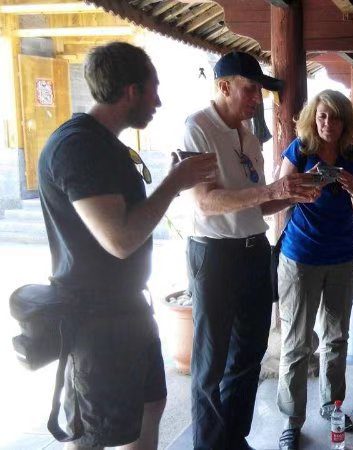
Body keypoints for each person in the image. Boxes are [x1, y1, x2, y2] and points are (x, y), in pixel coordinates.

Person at [37, 42, 217, 449]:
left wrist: (175, 178)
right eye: (153, 89)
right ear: (130, 91)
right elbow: (120, 240)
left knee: (149, 405)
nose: (159, 100)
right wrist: (174, 182)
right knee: (97, 431)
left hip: (126, 309)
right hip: (94, 321)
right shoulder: (78, 146)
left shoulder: (107, 143)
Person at [183, 51, 319, 450]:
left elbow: (257, 203)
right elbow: (205, 201)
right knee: (211, 362)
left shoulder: (248, 135)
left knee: (249, 354)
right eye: (250, 89)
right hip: (214, 254)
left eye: (259, 91)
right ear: (223, 87)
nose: (256, 98)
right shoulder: (198, 128)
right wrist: (274, 189)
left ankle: (233, 438)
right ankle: (209, 445)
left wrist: (295, 194)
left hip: (254, 250)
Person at [275, 90, 353, 450]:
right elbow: (278, 197)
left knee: (336, 339)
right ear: (313, 119)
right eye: (322, 117)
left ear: (345, 122)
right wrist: (306, 185)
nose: (328, 124)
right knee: (297, 343)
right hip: (300, 257)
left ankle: (332, 406)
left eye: (335, 117)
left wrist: (351, 189)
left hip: (342, 257)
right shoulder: (299, 150)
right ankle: (290, 419)